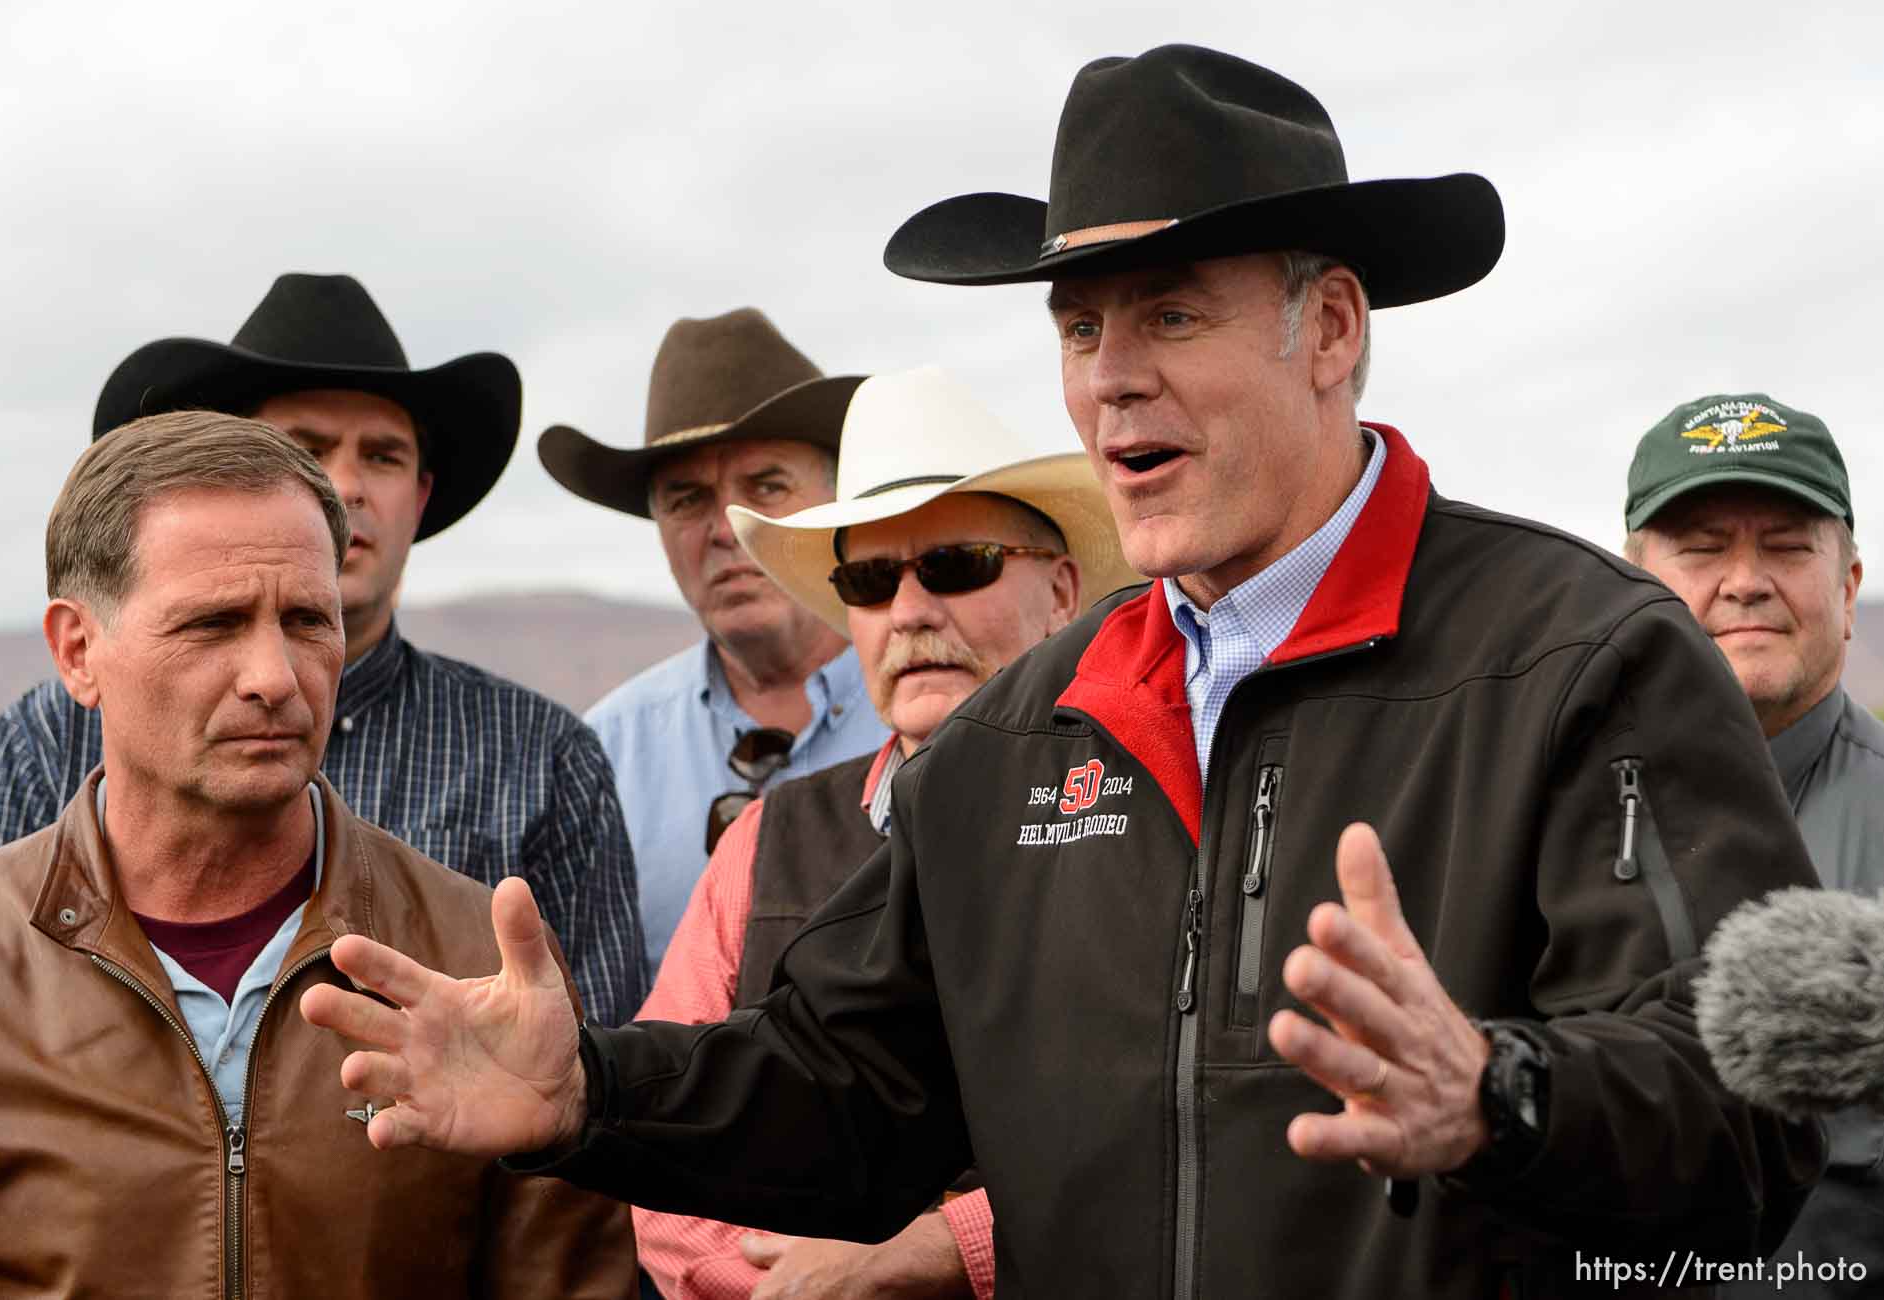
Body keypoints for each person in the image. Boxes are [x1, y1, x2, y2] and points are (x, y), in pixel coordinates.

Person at [299, 47, 1824, 1298]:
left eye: (1169, 311)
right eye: (1080, 324)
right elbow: (852, 1086)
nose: (1109, 374)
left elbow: (1749, 1117)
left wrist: (1494, 1097)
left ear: (1334, 330)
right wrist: (591, 1095)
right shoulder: (1024, 733)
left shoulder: (1579, 660)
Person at [0, 411, 637, 1297]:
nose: (274, 675)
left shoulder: (472, 957)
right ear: (79, 651)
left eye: (307, 619)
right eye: (213, 624)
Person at [0, 273, 647, 1026]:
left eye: (382, 456)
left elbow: (586, 1081)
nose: (344, 487)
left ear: (422, 494)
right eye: (304, 448)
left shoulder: (540, 755)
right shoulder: (45, 738)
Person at [635, 366, 1138, 1299]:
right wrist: (778, 1289)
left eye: (956, 564)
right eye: (869, 580)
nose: (909, 610)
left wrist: (936, 1253)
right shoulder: (764, 840)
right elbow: (671, 1109)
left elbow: (1168, 1119)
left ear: (1063, 590)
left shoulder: (1144, 812)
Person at [541, 308, 888, 981]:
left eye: (766, 487)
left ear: (839, 499)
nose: (727, 526)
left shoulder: (937, 713)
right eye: (686, 499)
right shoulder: (605, 754)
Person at [1624, 393, 1881, 1298]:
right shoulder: (1527, 807)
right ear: (1630, 589)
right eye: (1698, 547)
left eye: (1784, 544)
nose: (1742, 580)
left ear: (1847, 590)